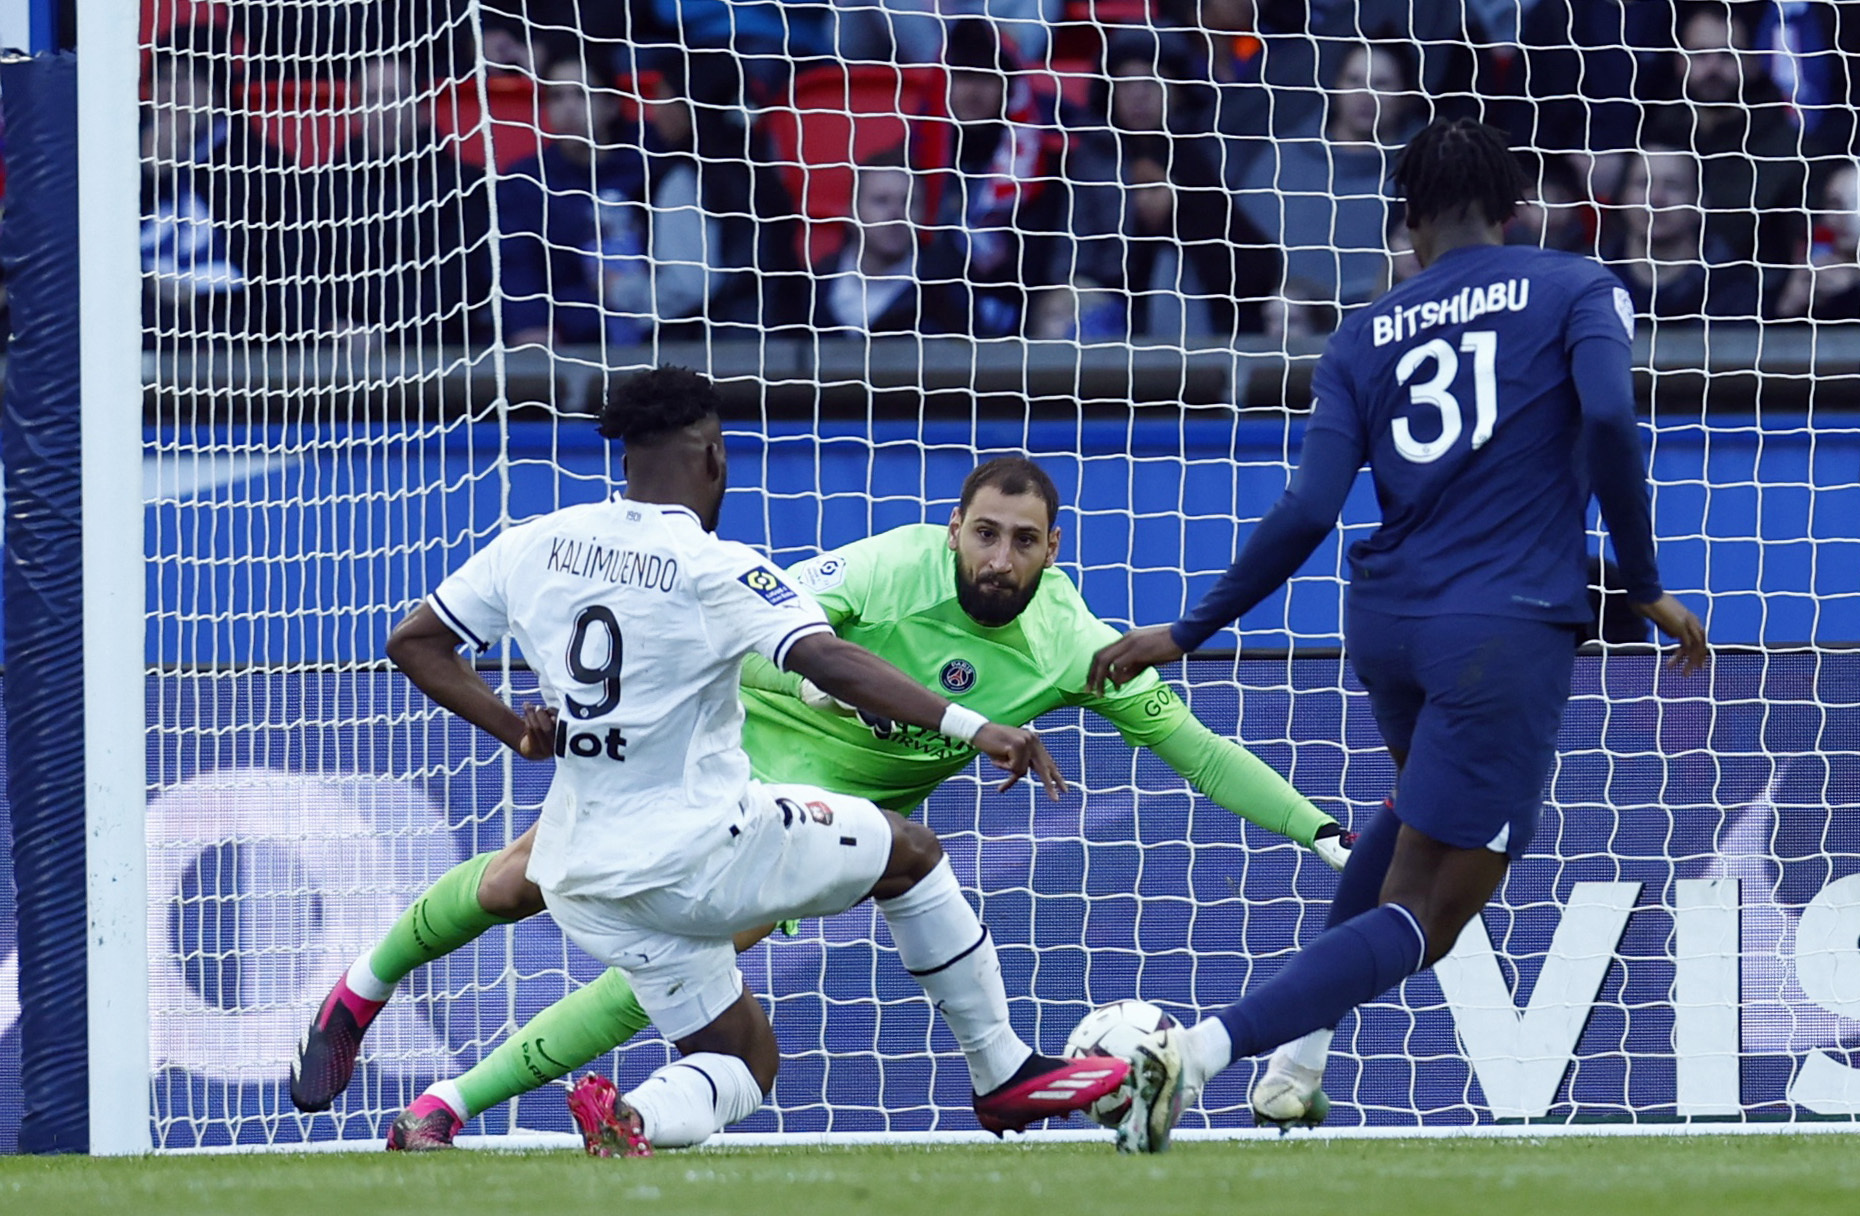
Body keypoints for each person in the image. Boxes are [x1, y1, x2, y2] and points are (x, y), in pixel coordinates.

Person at [292, 454, 1356, 1147]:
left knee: (687, 956)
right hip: (715, 755)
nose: (999, 556)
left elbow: (1202, 753)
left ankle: (447, 1103)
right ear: (953, 530)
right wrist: (810, 670)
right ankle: (398, 1039)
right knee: (530, 878)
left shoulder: (1073, 648)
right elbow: (780, 615)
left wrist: (1318, 827)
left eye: (1023, 540)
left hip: (803, 816)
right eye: (984, 532)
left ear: (1053, 549)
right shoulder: (892, 567)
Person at [1084, 118, 1708, 1154]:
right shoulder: (1574, 284)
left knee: (1412, 821)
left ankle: (1299, 1061)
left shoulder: (1362, 335)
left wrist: (1187, 628)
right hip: (1499, 626)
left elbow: (1307, 508)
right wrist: (1642, 582)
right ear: (1512, 207)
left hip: (1386, 622)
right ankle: (1194, 1053)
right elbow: (1606, 418)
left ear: (1408, 221)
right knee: (1432, 909)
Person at [337, 366, 1122, 1155]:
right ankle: (1002, 1075)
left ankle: (616, 1113)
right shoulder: (720, 568)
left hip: (584, 877)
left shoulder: (535, 544)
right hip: (706, 851)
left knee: (740, 1054)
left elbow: (414, 642)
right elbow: (828, 659)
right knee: (911, 854)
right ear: (713, 456)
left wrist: (516, 729)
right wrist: (971, 725)